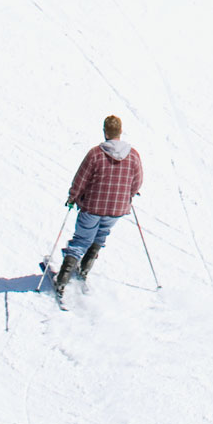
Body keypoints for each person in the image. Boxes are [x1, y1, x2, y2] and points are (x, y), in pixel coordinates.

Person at [54, 114, 143, 299]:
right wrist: (129, 195)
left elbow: (81, 179)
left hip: (93, 206)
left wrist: (73, 197)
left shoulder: (96, 153)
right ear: (120, 131)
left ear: (105, 132)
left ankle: (63, 278)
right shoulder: (133, 155)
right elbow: (137, 181)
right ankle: (84, 269)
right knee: (99, 237)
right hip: (117, 209)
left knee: (81, 240)